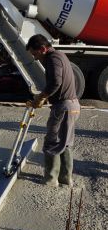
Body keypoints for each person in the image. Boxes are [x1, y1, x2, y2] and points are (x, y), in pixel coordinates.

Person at [26, 34, 80, 187]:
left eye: (36, 54)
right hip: (72, 105)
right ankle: (65, 178)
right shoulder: (60, 55)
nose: (36, 58)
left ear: (43, 49)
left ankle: (50, 180)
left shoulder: (53, 58)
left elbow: (56, 81)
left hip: (63, 107)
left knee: (52, 141)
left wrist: (42, 97)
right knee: (66, 142)